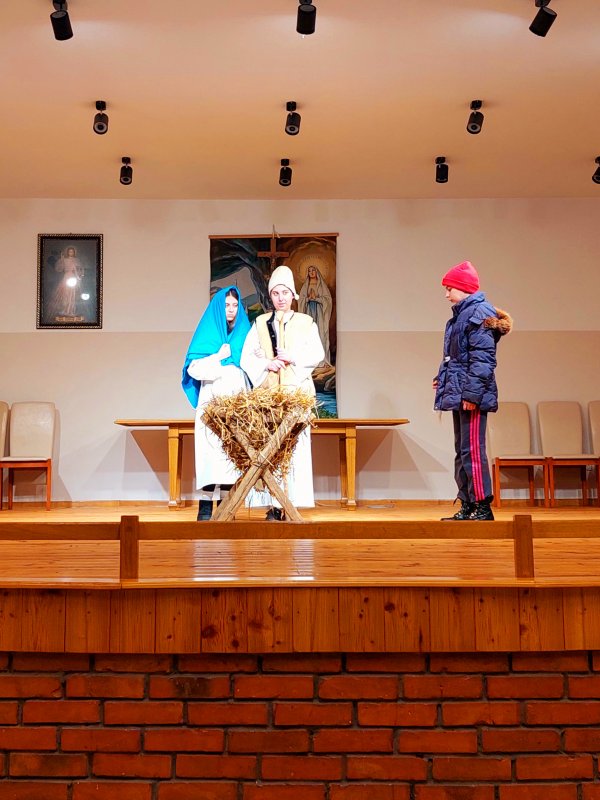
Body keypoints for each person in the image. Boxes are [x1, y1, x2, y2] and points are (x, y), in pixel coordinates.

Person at [241, 265, 324, 520]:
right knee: (271, 451)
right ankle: (274, 505)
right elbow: (246, 357)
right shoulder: (260, 323)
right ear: (271, 295)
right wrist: (267, 364)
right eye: (276, 293)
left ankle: (293, 503)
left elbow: (317, 353)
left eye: (285, 292)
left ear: (292, 295)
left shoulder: (306, 322)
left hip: (295, 395)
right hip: (269, 397)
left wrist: (293, 357)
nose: (280, 298)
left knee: (296, 451)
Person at [433, 261, 512, 521]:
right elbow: (457, 359)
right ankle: (467, 503)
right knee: (462, 449)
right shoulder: (461, 316)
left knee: (473, 450)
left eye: (449, 288)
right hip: (461, 391)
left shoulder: (479, 313)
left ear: (464, 288)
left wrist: (471, 395)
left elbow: (483, 360)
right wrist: (442, 379)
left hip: (472, 395)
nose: (446, 294)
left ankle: (482, 505)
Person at [182, 286, 251, 521]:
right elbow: (194, 369)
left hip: (235, 405)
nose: (231, 310)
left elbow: (250, 368)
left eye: (235, 305)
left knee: (231, 455)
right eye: (226, 305)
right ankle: (205, 507)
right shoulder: (207, 333)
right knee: (210, 455)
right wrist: (218, 358)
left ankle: (225, 507)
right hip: (211, 404)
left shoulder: (244, 334)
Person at [298, 264, 333, 364]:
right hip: (309, 312)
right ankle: (309, 361)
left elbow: (327, 300)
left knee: (320, 334)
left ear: (317, 272)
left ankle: (321, 361)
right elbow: (301, 300)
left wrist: (317, 299)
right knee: (309, 335)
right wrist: (308, 299)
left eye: (313, 270)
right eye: (309, 271)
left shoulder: (321, 285)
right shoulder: (306, 285)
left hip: (320, 313)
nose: (311, 272)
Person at [48, 246, 84, 318]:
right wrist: (61, 259)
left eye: (72, 251)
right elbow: (59, 269)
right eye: (70, 251)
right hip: (67, 277)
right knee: (65, 294)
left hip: (74, 278)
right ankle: (65, 310)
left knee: (72, 295)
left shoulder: (77, 260)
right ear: (68, 252)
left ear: (74, 252)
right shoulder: (65, 260)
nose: (71, 253)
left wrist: (79, 275)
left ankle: (71, 311)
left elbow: (80, 269)